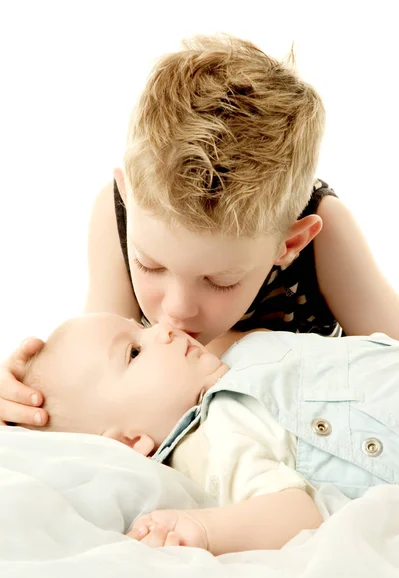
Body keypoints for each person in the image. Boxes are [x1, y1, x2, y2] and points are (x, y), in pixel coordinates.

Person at [1, 34, 399, 429]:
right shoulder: (118, 216)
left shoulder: (327, 233)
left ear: (290, 243)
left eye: (219, 280)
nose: (176, 310)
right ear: (127, 194)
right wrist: (32, 400)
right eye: (150, 264)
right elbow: (94, 393)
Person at [19, 312, 399, 554]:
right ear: (130, 441)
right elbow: (296, 513)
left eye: (144, 327)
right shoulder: (211, 437)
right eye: (134, 352)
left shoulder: (239, 354)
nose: (165, 329)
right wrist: (203, 528)